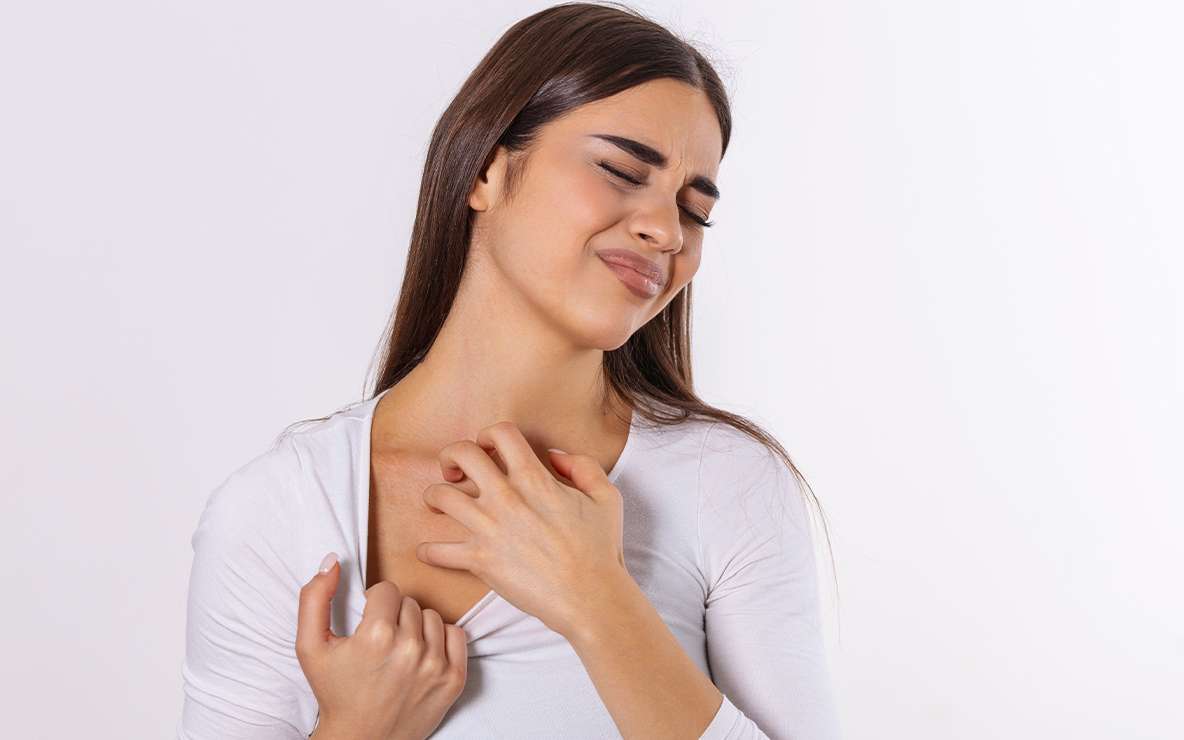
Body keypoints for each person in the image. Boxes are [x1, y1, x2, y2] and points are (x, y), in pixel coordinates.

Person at [179, 2, 840, 738]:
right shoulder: (280, 510)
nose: (664, 229)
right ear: (486, 170)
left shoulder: (729, 485)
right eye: (622, 171)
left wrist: (596, 598)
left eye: (694, 210)